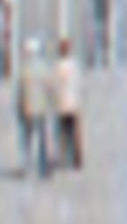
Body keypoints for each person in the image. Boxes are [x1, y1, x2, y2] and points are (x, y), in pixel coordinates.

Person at [16, 39, 48, 178]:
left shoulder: (24, 70)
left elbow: (21, 91)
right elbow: (48, 87)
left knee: (27, 139)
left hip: (27, 108)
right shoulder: (42, 68)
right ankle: (42, 167)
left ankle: (27, 165)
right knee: (41, 138)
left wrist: (19, 107)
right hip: (40, 107)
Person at [53, 36, 84, 170]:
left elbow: (55, 85)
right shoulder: (74, 65)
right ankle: (76, 159)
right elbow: (78, 83)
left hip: (62, 104)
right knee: (74, 133)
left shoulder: (57, 66)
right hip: (72, 103)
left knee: (64, 134)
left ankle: (65, 159)